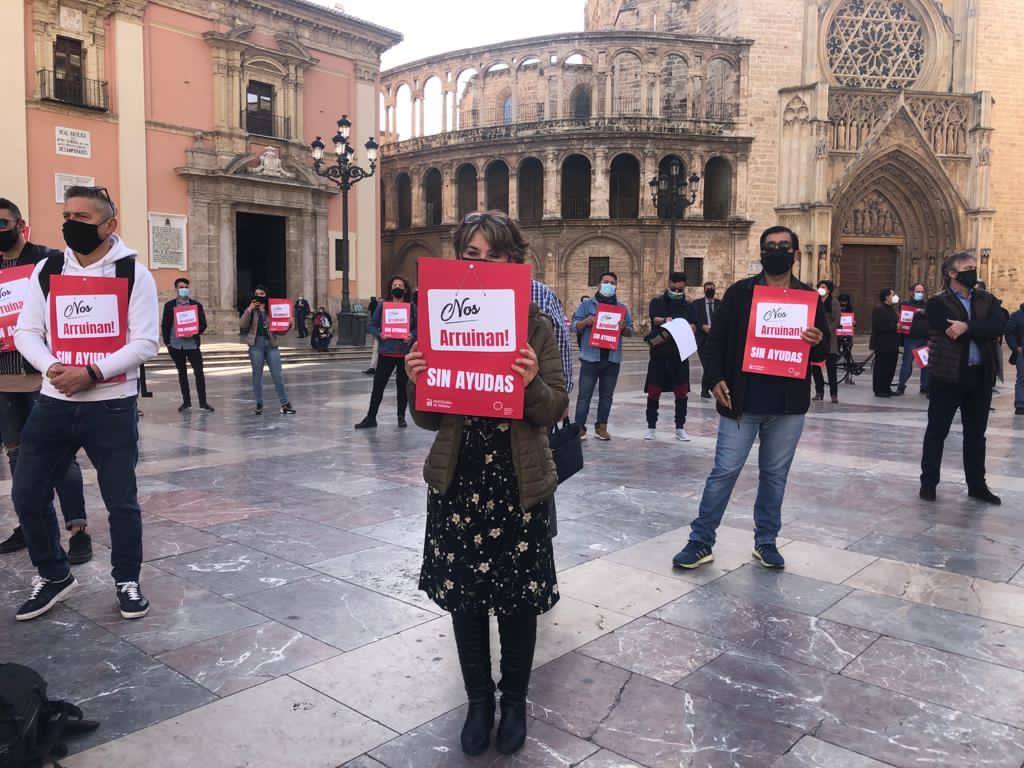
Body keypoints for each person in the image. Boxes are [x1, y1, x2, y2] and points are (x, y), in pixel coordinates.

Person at [404, 211, 567, 756]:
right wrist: (419, 380)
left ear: (514, 262)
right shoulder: (441, 317)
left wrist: (530, 382)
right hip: (459, 482)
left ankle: (514, 700)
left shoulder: (536, 325)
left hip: (517, 483)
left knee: (518, 602)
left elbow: (555, 408)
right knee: (466, 601)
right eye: (471, 255)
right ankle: (478, 701)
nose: (483, 265)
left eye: (494, 255)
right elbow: (429, 418)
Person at [12, 185, 159, 621]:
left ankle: (127, 579)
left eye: (83, 219)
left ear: (110, 225)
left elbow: (146, 341)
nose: (71, 225)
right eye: (67, 215)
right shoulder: (47, 269)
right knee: (26, 492)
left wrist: (92, 373)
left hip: (111, 406)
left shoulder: (134, 273)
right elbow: (26, 331)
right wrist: (53, 366)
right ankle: (54, 573)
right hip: (53, 402)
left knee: (121, 500)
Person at [672, 226, 827, 571]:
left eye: (784, 246)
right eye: (770, 246)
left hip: (787, 407)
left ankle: (767, 541)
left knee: (775, 476)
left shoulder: (807, 298)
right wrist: (714, 379)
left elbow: (823, 349)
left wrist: (817, 340)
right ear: (761, 252)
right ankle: (700, 541)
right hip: (740, 401)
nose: (777, 251)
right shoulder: (741, 293)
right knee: (724, 471)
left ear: (795, 253)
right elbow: (715, 345)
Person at [0, 198, 89, 562]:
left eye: (3, 223)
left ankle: (78, 530)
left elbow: (74, 304)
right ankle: (29, 525)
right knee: (18, 458)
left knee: (60, 458)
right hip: (4, 381)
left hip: (46, 376)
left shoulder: (48, 260)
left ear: (21, 224)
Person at [919, 252, 1006, 504]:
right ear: (952, 274)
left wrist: (967, 327)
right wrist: (981, 328)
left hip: (980, 376)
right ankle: (928, 483)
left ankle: (977, 486)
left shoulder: (987, 299)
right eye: (968, 268)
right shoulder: (937, 303)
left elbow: (999, 325)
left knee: (976, 434)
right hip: (947, 376)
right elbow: (948, 331)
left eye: (974, 267)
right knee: (937, 430)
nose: (973, 271)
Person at [571, 273, 634, 440]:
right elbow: (573, 325)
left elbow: (631, 331)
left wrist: (623, 328)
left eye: (612, 283)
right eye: (606, 282)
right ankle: (579, 428)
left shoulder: (622, 308)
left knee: (607, 396)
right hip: (591, 358)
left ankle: (601, 427)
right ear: (599, 284)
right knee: (584, 395)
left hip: (612, 359)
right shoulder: (587, 305)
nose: (609, 285)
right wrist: (586, 322)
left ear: (616, 286)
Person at [355, 276, 415, 429]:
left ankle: (401, 417)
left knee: (402, 388)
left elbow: (419, 327)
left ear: (405, 289)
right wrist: (380, 334)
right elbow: (372, 325)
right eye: (395, 284)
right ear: (390, 288)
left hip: (404, 354)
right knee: (378, 386)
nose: (397, 287)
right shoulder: (383, 306)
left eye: (400, 285)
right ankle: (371, 417)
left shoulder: (412, 307)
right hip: (386, 353)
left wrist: (412, 336)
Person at [644, 272, 692, 441]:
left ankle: (680, 427)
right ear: (669, 283)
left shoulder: (688, 305)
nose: (677, 291)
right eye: (674, 288)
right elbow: (655, 319)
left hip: (679, 355)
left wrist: (688, 327)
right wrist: (667, 320)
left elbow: (693, 325)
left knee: (681, 393)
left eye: (680, 289)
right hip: (659, 355)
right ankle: (651, 427)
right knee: (653, 393)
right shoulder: (657, 302)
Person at [240, 285, 296, 415]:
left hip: (271, 344)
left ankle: (285, 403)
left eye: (261, 293)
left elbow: (280, 332)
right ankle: (259, 403)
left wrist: (288, 325)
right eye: (256, 293)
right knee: (257, 375)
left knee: (278, 375)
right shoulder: (252, 310)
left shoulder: (273, 309)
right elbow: (242, 324)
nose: (259, 296)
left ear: (266, 295)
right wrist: (250, 309)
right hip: (256, 345)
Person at [161, 277, 213, 413]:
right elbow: (165, 325)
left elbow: (203, 324)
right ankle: (186, 402)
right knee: (182, 374)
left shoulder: (196, 305)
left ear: (188, 289)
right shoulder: (169, 305)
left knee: (199, 373)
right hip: (176, 345)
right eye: (180, 287)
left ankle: (203, 403)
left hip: (192, 345)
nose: (183, 289)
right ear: (176, 289)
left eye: (185, 287)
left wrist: (194, 332)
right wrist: (168, 343)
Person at [897, 282, 929, 396]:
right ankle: (901, 385)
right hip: (911, 338)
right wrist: (915, 312)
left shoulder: (928, 304)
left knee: (925, 364)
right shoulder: (906, 303)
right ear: (912, 292)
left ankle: (924, 386)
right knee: (907, 363)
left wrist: (923, 312)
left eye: (921, 292)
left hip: (925, 338)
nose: (920, 294)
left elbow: (931, 315)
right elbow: (904, 315)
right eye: (917, 291)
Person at [811, 280, 841, 403]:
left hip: (830, 339)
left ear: (829, 290)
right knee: (816, 367)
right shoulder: (814, 301)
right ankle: (819, 392)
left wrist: (826, 331)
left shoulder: (833, 302)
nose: (821, 289)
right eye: (819, 287)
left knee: (831, 368)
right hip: (816, 338)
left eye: (823, 287)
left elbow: (837, 320)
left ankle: (834, 394)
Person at [691, 280, 720, 398]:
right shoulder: (696, 304)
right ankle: (705, 389)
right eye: (708, 289)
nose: (710, 291)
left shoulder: (720, 303)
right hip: (702, 340)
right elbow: (694, 319)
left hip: (716, 339)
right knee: (707, 365)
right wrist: (702, 326)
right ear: (704, 290)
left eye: (712, 289)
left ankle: (707, 389)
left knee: (713, 364)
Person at [870, 288, 900, 397]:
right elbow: (878, 326)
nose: (894, 296)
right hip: (882, 343)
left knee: (890, 367)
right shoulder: (879, 309)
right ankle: (879, 389)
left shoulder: (892, 309)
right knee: (881, 367)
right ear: (887, 297)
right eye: (892, 295)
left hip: (892, 343)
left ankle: (887, 387)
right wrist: (894, 326)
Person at [1006, 302, 1024, 416]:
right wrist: (1015, 347)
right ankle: (1020, 405)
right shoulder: (1016, 316)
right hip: (1022, 352)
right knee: (1022, 378)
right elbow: (1009, 332)